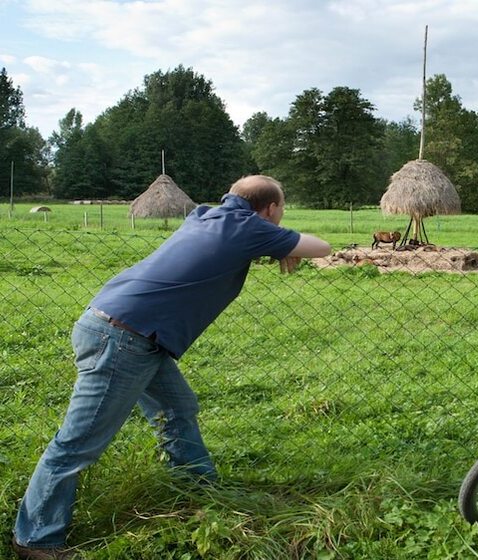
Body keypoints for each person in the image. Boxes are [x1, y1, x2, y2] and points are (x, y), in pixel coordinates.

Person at [12, 175, 331, 559]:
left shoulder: (203, 215)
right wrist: (278, 240)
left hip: (126, 330)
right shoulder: (248, 227)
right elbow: (322, 246)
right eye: (279, 210)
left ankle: (197, 490)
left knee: (177, 408)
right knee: (77, 443)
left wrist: (269, 241)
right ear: (271, 209)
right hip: (123, 339)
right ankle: (35, 540)